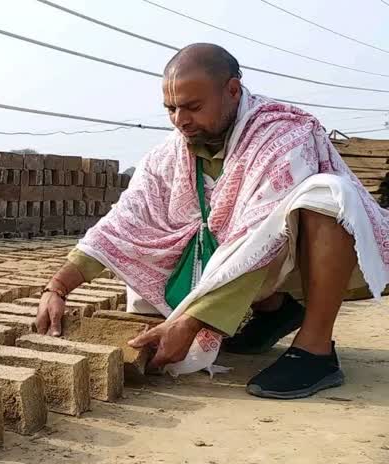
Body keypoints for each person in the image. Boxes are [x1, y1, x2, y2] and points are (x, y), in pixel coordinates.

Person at [35, 43, 389, 400]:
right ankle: (274, 312)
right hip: (253, 264)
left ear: (232, 91)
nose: (180, 120)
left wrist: (190, 323)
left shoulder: (283, 135)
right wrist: (58, 286)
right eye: (171, 109)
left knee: (327, 195)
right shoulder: (171, 152)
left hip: (308, 257)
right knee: (175, 239)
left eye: (193, 107)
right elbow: (127, 219)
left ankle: (316, 350)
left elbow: (258, 236)